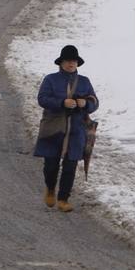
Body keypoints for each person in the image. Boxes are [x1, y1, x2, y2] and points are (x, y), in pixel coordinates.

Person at [34, 44, 98, 212]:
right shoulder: (50, 79)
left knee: (70, 165)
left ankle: (63, 199)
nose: (71, 64)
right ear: (61, 63)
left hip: (76, 130)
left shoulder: (84, 82)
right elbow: (42, 99)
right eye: (68, 61)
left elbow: (94, 102)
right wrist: (62, 103)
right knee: (51, 165)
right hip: (54, 128)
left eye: (74, 61)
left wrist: (85, 104)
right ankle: (50, 188)